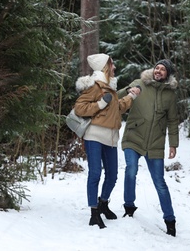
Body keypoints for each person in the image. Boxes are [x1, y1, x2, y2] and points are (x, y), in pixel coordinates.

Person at [74, 53, 140, 229]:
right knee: (95, 173)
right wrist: (101, 104)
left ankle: (103, 203)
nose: (115, 67)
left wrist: (131, 97)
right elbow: (80, 108)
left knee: (112, 175)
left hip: (110, 137)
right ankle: (94, 213)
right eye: (112, 64)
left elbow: (117, 108)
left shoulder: (110, 86)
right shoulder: (95, 86)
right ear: (105, 66)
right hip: (94, 135)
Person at [117, 59, 179, 237]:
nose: (158, 71)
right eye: (157, 68)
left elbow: (173, 120)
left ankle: (170, 220)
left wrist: (173, 144)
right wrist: (129, 91)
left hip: (155, 143)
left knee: (160, 183)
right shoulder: (139, 83)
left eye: (162, 69)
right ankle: (129, 207)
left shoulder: (170, 95)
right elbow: (119, 95)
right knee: (131, 170)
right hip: (133, 137)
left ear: (167, 74)